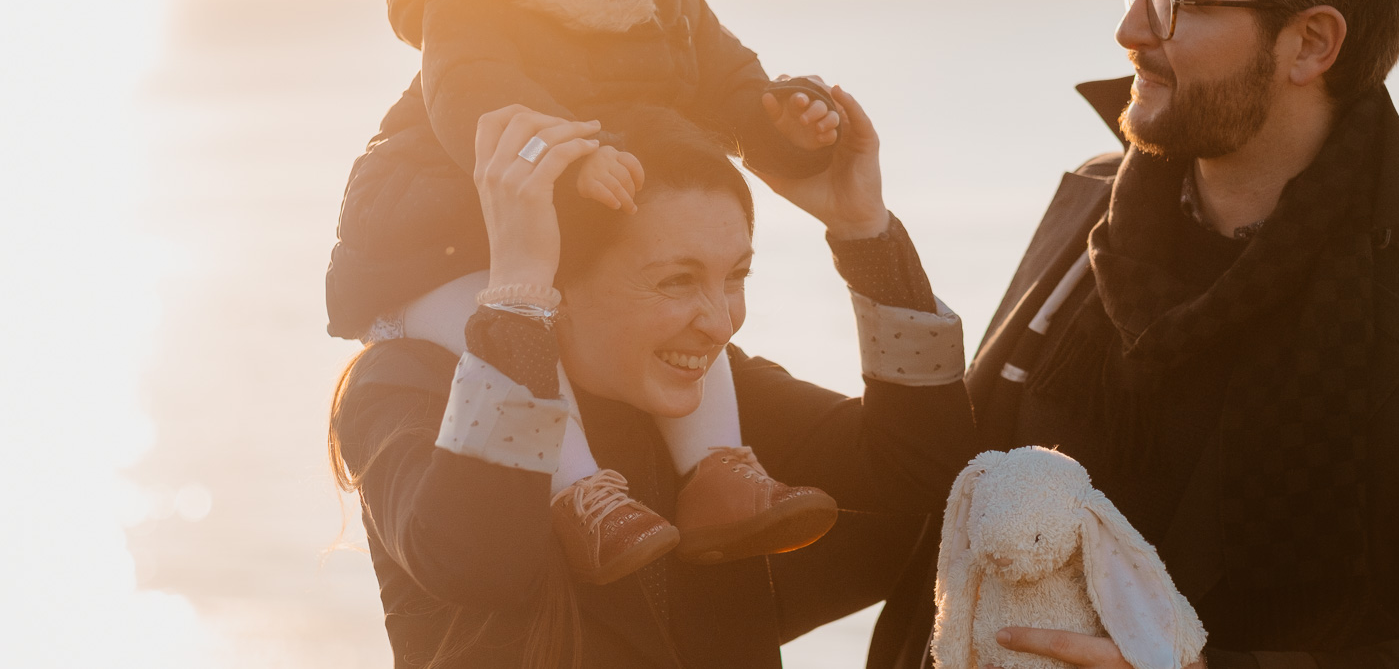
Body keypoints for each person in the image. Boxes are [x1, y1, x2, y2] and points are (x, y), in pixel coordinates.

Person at [866, 0, 1399, 668]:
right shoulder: (1089, 205)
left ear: (1310, 43)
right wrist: (861, 231)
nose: (1132, 27)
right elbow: (957, 486)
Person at [325, 0, 851, 583]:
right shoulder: (471, 0)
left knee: (688, 319)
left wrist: (789, 126)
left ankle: (717, 473)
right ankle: (584, 498)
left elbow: (734, 83)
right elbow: (476, 97)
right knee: (505, 324)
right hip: (435, 243)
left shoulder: (667, 6)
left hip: (565, 228)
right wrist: (572, 160)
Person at [328, 97, 977, 668]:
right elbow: (480, 562)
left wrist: (865, 233)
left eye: (736, 276)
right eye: (676, 281)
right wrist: (519, 294)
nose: (720, 323)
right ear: (558, 283)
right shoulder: (409, 385)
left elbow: (921, 471)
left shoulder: (705, 401)